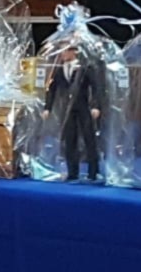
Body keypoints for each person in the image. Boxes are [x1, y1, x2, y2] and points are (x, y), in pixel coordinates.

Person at [42, 45, 103, 181]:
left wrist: (95, 106)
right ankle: (72, 172)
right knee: (70, 140)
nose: (62, 54)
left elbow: (95, 87)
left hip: (83, 107)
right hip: (67, 110)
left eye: (65, 51)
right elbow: (51, 89)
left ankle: (93, 171)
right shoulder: (58, 69)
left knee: (89, 138)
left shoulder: (84, 67)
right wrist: (48, 108)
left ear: (73, 52)